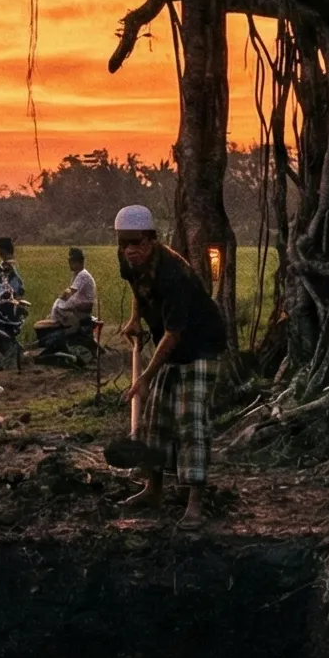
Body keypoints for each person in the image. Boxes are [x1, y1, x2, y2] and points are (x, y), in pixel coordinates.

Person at [117, 204, 226, 526]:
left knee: (189, 422)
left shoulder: (174, 274)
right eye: (124, 243)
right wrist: (135, 318)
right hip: (173, 348)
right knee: (156, 421)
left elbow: (173, 334)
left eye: (136, 243)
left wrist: (146, 378)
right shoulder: (127, 259)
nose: (130, 250)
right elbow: (136, 286)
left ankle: (195, 502)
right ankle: (153, 488)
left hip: (200, 347)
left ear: (151, 241)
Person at [35, 247, 98, 362]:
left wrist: (61, 297)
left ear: (79, 262)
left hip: (80, 312)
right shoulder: (77, 275)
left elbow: (69, 293)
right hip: (77, 309)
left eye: (72, 262)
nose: (70, 265)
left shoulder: (82, 275)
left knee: (59, 312)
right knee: (59, 306)